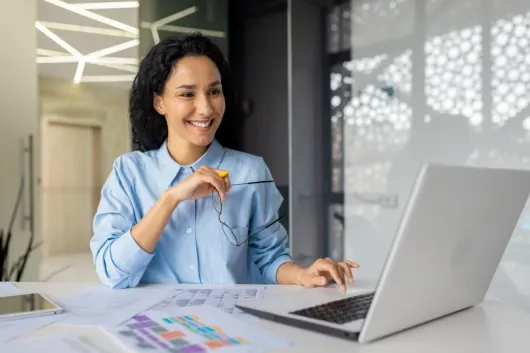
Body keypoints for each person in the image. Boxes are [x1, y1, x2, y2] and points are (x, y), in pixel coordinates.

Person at [90, 33, 359, 290]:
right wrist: (170, 199)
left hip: (232, 327)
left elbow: (268, 259)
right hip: (157, 327)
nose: (206, 108)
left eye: (214, 91)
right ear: (159, 103)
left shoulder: (251, 171)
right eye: (187, 94)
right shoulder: (128, 173)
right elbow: (112, 273)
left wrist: (303, 274)